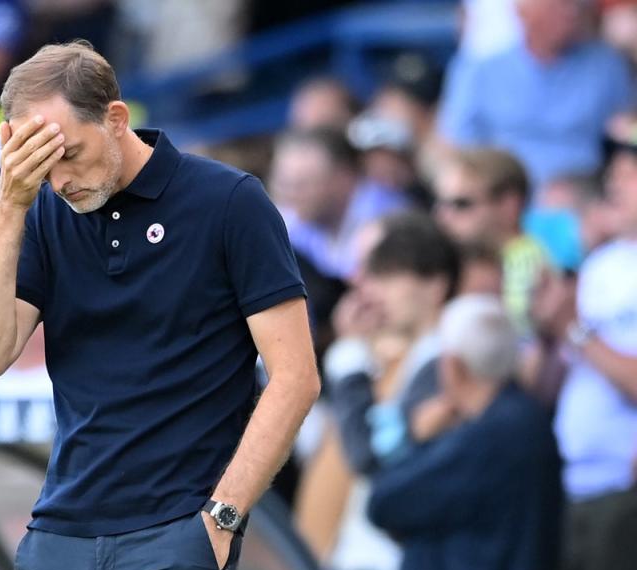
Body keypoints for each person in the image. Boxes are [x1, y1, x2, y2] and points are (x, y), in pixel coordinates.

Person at [0, 41, 319, 570]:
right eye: (38, 161)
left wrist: (221, 519)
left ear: (116, 119)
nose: (59, 178)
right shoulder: (41, 211)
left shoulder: (227, 202)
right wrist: (8, 205)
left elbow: (296, 376)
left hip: (177, 539)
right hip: (60, 536)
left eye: (68, 153)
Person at [368, 294, 563, 570]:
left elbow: (387, 501)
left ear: (453, 365)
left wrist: (421, 441)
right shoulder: (523, 420)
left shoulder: (495, 434)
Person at [538, 134, 637, 570]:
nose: (616, 183)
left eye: (631, 173)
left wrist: (574, 330)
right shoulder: (599, 264)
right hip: (570, 481)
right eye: (614, 173)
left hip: (623, 488)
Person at [438, 0, 634, 187]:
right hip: (502, 189)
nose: (571, 13)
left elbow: (627, 130)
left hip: (586, 190)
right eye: (557, 6)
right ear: (524, 14)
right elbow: (458, 142)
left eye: (573, 4)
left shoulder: (607, 65)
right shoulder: (479, 69)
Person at [324, 211, 459, 475]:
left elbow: (367, 455)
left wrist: (349, 354)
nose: (374, 291)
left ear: (435, 285)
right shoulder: (411, 355)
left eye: (389, 276)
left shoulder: (442, 360)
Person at [432, 147, 549, 338]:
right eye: (440, 203)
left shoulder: (527, 265)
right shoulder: (468, 261)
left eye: (461, 204)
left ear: (509, 204)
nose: (443, 216)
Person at [268, 128, 408, 280]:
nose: (291, 196)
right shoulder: (294, 221)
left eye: (302, 185)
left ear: (343, 177)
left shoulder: (391, 218)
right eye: (284, 185)